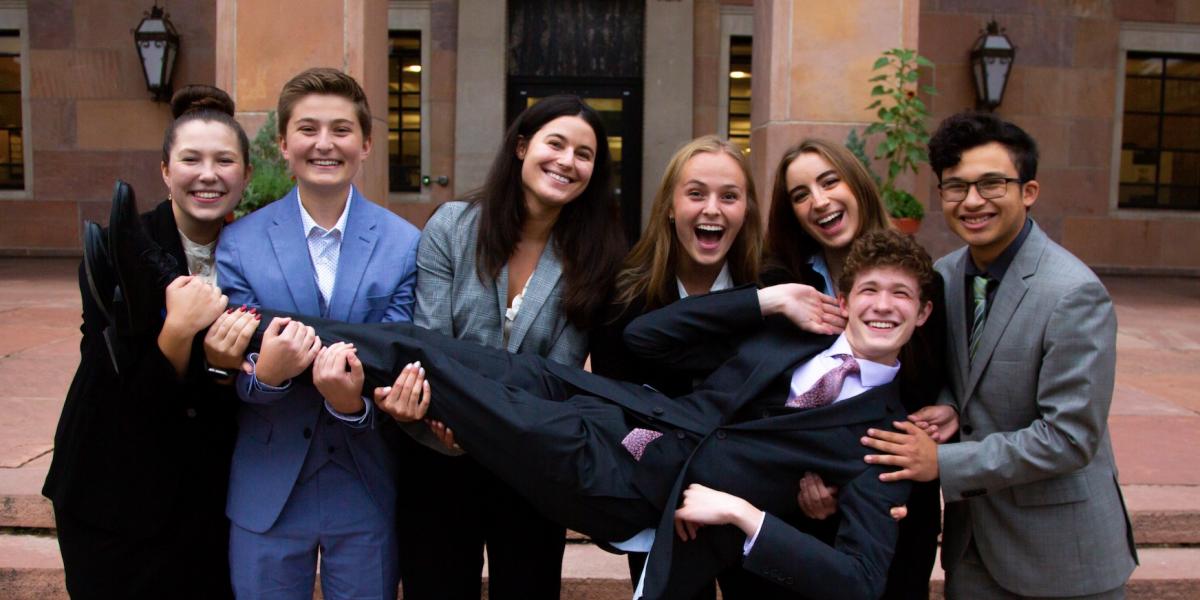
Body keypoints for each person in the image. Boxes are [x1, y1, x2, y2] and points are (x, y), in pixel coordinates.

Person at [238, 228, 934, 600]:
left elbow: (859, 581)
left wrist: (746, 516)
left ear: (923, 313)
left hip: (630, 485)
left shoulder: (885, 436)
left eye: (900, 296)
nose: (881, 305)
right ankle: (246, 329)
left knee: (442, 379)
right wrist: (765, 300)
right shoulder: (792, 332)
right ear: (843, 293)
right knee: (439, 349)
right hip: (610, 405)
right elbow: (643, 339)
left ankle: (243, 342)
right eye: (868, 288)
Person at [862, 112, 1137, 599]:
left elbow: (1071, 436)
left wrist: (941, 463)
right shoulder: (943, 277)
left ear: (1028, 191)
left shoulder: (1072, 293)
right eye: (955, 187)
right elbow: (963, 371)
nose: (972, 201)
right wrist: (948, 402)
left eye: (991, 184)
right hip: (973, 551)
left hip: (1061, 556)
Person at [394, 94, 626, 600]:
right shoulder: (452, 227)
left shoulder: (597, 256)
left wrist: (486, 424)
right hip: (437, 449)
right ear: (523, 146)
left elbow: (558, 373)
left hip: (531, 466)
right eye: (556, 143)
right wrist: (453, 422)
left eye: (584, 154)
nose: (567, 161)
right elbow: (430, 343)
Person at [42, 85, 257, 598]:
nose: (208, 174)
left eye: (224, 160)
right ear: (165, 171)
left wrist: (221, 365)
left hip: (206, 500)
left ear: (246, 176)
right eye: (191, 159)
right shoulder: (119, 248)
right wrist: (180, 329)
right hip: (112, 490)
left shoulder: (258, 254)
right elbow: (126, 387)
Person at [215, 67, 421, 599]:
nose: (324, 144)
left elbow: (399, 355)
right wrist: (269, 379)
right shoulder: (239, 244)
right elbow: (236, 360)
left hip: (364, 478)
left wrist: (352, 403)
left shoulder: (403, 245)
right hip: (268, 479)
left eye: (341, 129)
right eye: (307, 129)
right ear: (283, 144)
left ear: (366, 143)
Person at [758, 138, 946, 599]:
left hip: (892, 493)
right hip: (803, 507)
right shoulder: (781, 284)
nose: (818, 202)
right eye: (800, 195)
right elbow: (765, 399)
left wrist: (950, 404)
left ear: (857, 184)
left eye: (828, 181)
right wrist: (802, 479)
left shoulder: (922, 285)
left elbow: (940, 377)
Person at [589, 135, 763, 598]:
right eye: (696, 193)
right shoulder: (623, 298)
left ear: (746, 210)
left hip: (752, 504)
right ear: (669, 206)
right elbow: (618, 414)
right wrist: (672, 491)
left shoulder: (772, 292)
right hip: (659, 504)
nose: (713, 209)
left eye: (729, 196)